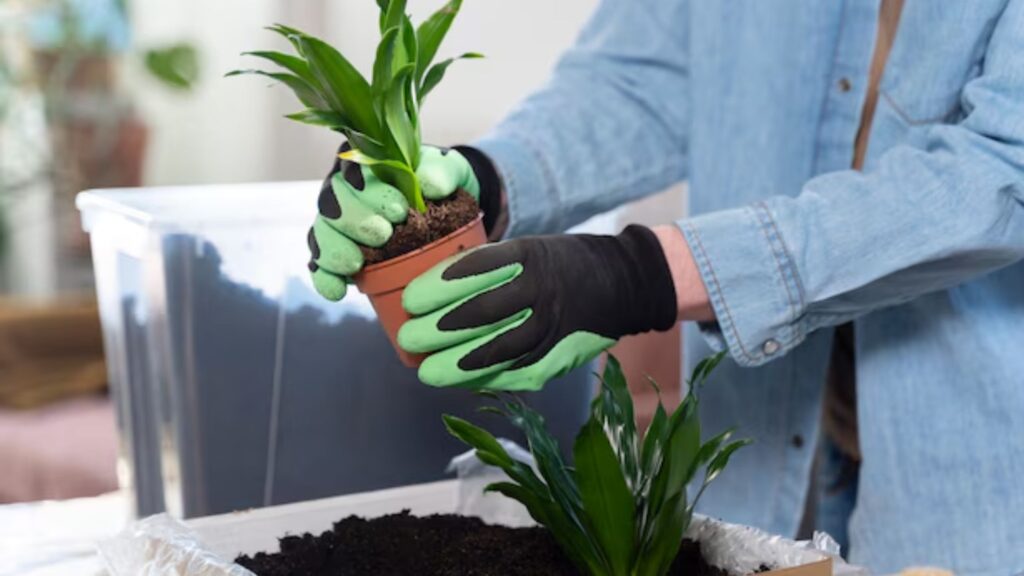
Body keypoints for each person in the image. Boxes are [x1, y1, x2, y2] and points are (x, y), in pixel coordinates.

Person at [306, 1, 1024, 572]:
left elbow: (1002, 167)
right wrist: (485, 181)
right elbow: (637, 81)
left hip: (979, 500)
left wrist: (645, 274)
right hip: (768, 470)